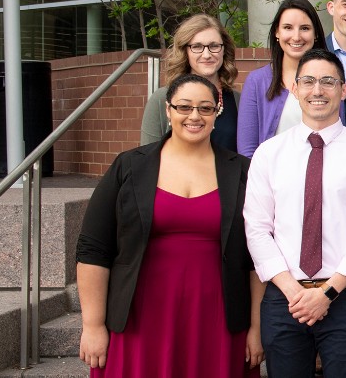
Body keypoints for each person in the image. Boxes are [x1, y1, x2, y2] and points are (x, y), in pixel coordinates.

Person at [78, 74, 263, 377]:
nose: (194, 116)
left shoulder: (242, 171)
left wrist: (256, 326)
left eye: (205, 108)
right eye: (184, 107)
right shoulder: (129, 167)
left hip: (218, 318)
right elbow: (93, 249)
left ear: (217, 111)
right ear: (168, 110)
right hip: (139, 317)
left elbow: (257, 257)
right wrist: (93, 325)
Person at [243, 50, 346, 378]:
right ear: (295, 89)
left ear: (344, 90)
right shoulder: (269, 154)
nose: (318, 90)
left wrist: (327, 293)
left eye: (328, 82)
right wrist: (294, 291)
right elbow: (257, 229)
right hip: (284, 298)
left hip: (344, 298)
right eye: (308, 81)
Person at [238, 0, 327, 158]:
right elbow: (247, 151)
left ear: (316, 34)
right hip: (269, 173)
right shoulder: (257, 81)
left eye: (305, 28)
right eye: (288, 27)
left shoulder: (330, 81)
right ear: (277, 32)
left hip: (322, 172)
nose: (296, 37)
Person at [140, 14, 240, 152]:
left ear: (224, 50)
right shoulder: (161, 99)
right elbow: (146, 158)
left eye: (214, 46)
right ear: (185, 51)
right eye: (197, 46)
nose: (207, 55)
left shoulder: (239, 101)